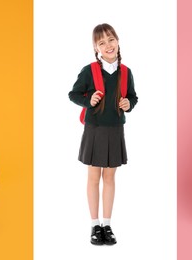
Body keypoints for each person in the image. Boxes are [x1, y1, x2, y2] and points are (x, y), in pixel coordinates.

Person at [66, 23, 138, 246]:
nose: (108, 45)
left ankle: (107, 224)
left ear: (118, 41)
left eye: (111, 39)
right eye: (102, 42)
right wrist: (88, 101)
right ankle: (94, 225)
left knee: (110, 178)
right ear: (95, 48)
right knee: (93, 177)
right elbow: (73, 94)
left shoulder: (126, 72)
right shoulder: (89, 71)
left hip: (116, 129)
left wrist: (129, 103)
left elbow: (133, 97)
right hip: (94, 129)